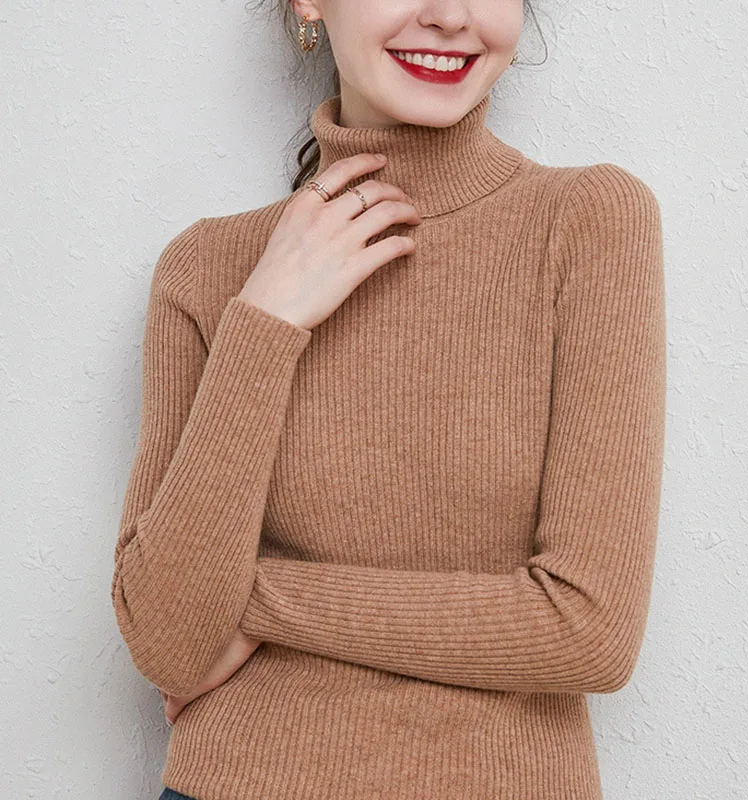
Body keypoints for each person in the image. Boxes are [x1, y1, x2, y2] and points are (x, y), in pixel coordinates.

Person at [112, 1, 667, 798]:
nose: (450, 16)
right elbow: (168, 642)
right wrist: (265, 320)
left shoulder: (585, 222)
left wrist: (253, 599)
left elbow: (589, 631)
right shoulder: (208, 266)